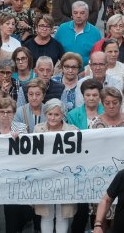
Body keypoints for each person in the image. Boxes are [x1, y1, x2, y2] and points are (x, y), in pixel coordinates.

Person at [33, 98, 78, 233]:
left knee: (61, 215)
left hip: (65, 178)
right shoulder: (38, 129)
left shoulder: (73, 130)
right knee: (46, 214)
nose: (53, 117)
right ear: (45, 114)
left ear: (63, 115)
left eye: (57, 114)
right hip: (44, 177)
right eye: (50, 114)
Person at [54, 1, 102, 66]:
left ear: (87, 14)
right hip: (64, 71)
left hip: (86, 73)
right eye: (75, 13)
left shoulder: (95, 32)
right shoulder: (62, 28)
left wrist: (86, 72)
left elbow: (98, 57)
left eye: (82, 13)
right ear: (72, 14)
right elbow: (54, 49)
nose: (78, 16)